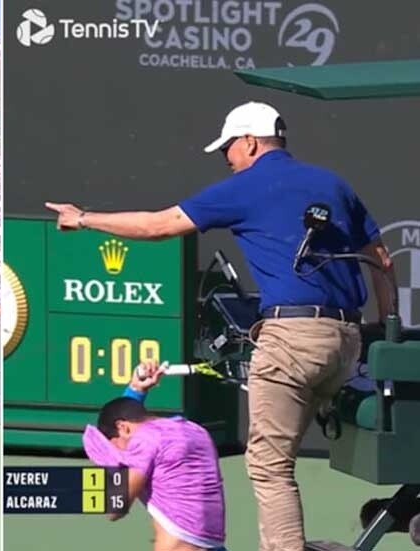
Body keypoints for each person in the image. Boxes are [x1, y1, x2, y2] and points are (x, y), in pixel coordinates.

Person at [47, 101, 395, 551]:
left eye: (228, 148)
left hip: (292, 342)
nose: (227, 159)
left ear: (250, 142)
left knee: (269, 465)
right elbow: (382, 261)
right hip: (347, 344)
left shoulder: (248, 186)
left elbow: (159, 225)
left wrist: (83, 218)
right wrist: (386, 332)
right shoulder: (333, 184)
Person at [85, 361, 227, 551]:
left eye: (118, 448)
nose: (123, 455)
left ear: (123, 428)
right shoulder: (196, 431)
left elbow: (114, 509)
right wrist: (135, 391)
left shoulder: (145, 439)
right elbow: (129, 415)